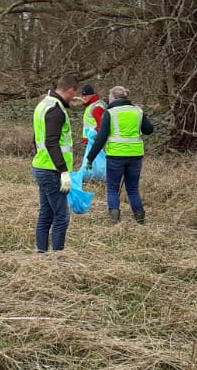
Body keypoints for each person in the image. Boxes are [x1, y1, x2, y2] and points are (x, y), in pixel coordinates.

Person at [85, 85, 155, 224]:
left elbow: (101, 138)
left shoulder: (110, 113)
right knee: (133, 188)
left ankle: (114, 216)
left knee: (112, 187)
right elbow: (149, 130)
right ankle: (139, 216)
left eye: (109, 97)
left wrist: (90, 158)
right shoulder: (138, 111)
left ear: (113, 97)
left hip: (115, 156)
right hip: (135, 155)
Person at [32, 75, 81, 255]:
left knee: (46, 212)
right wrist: (63, 171)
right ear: (70, 90)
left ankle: (41, 253)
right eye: (73, 94)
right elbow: (52, 142)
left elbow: (36, 138)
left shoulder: (43, 104)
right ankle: (57, 258)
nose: (73, 98)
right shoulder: (56, 110)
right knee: (61, 216)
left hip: (41, 165)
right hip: (52, 170)